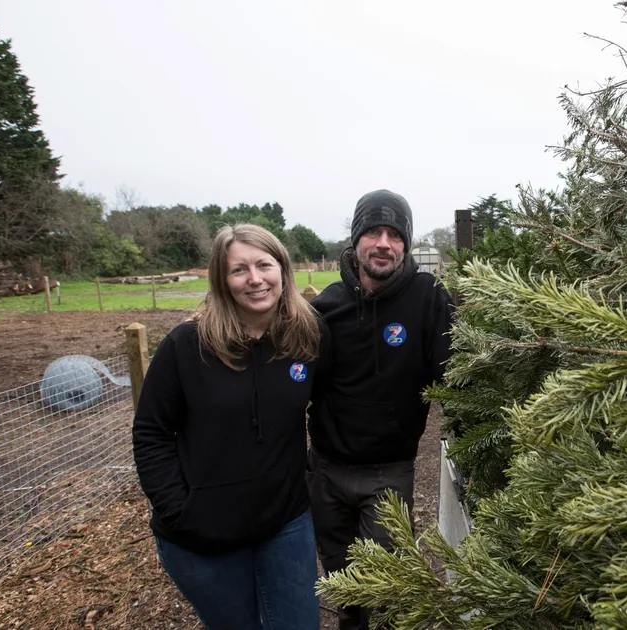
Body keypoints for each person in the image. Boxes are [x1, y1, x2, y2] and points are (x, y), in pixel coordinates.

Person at [133, 224, 329, 630]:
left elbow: (330, 402)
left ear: (283, 270)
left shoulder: (308, 336)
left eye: (264, 265)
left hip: (285, 524)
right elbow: (151, 433)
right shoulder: (186, 346)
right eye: (239, 270)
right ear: (222, 281)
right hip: (204, 534)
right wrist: (178, 510)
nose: (255, 279)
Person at [307, 189, 454, 629]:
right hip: (328, 470)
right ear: (356, 240)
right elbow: (295, 384)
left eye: (395, 234)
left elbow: (452, 374)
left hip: (388, 470)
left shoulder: (428, 298)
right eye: (373, 231)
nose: (384, 243)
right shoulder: (325, 308)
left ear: (406, 244)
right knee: (343, 584)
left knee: (389, 588)